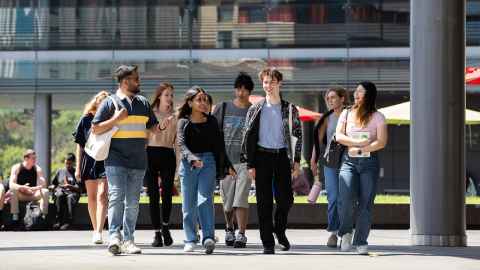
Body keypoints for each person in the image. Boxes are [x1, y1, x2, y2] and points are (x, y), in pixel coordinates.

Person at [91, 65, 159, 255]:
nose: (139, 81)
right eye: (136, 78)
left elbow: (153, 128)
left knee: (133, 203)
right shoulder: (109, 103)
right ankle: (114, 237)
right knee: (116, 197)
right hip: (115, 160)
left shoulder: (143, 103)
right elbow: (95, 129)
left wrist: (159, 128)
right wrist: (116, 119)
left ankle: (129, 240)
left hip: (138, 160)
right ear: (125, 81)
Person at [241, 68, 302, 254]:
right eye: (266, 82)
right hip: (261, 157)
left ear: (279, 83)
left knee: (286, 200)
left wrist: (297, 161)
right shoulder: (255, 108)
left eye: (272, 82)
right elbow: (246, 137)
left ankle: (279, 230)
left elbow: (297, 135)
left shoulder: (289, 109)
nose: (268, 86)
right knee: (264, 201)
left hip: (282, 156)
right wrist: (249, 164)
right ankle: (267, 242)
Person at [177, 86, 235, 254]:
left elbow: (219, 146)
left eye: (205, 100)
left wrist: (228, 165)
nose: (203, 103)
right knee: (188, 205)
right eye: (199, 100)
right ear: (190, 102)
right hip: (188, 165)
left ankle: (208, 237)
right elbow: (181, 144)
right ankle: (190, 239)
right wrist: (192, 158)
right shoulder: (183, 122)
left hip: (208, 162)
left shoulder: (211, 122)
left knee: (205, 199)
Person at [335, 81, 387, 255]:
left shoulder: (378, 116)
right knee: (346, 199)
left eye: (360, 92)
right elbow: (339, 136)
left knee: (366, 204)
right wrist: (356, 143)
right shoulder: (346, 113)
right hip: (348, 161)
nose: (356, 94)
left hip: (369, 162)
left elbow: (381, 141)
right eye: (355, 91)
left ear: (369, 95)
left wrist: (363, 149)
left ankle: (361, 240)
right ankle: (345, 232)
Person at [212, 72, 253, 248]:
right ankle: (229, 228)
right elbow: (213, 133)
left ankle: (241, 234)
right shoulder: (223, 107)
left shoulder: (254, 110)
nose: (241, 92)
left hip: (245, 162)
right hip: (225, 162)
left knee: (241, 200)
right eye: (238, 88)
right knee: (227, 202)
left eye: (244, 89)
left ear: (249, 90)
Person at [310, 86, 348, 248]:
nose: (330, 100)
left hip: (349, 161)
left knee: (345, 198)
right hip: (330, 161)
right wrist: (313, 160)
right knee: (333, 197)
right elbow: (317, 141)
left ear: (342, 98)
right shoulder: (326, 118)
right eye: (328, 98)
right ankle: (333, 232)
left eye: (333, 97)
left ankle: (346, 232)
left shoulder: (351, 115)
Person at [74, 90, 110, 244]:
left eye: (106, 101)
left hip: (106, 161)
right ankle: (95, 229)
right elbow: (79, 146)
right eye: (101, 100)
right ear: (96, 102)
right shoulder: (85, 120)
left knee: (103, 195)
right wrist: (77, 167)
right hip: (89, 160)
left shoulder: (111, 121)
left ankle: (99, 231)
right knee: (92, 197)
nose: (103, 103)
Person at [145, 82, 177, 247]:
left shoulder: (176, 115)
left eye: (171, 95)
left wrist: (178, 165)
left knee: (166, 195)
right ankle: (157, 233)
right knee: (153, 196)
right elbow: (145, 136)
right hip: (150, 154)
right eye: (166, 95)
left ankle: (165, 226)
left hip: (167, 154)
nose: (169, 98)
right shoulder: (150, 113)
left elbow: (177, 143)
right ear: (159, 96)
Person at [9, 149, 50, 227]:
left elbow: (43, 185)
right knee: (13, 190)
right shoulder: (17, 167)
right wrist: (22, 187)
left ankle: (42, 217)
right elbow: (11, 184)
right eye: (33, 158)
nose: (35, 160)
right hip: (21, 194)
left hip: (33, 194)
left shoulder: (37, 168)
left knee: (45, 191)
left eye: (35, 158)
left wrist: (34, 188)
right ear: (26, 158)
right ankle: (15, 217)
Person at [50, 153, 80, 230]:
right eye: (66, 163)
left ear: (74, 163)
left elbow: (80, 188)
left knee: (70, 197)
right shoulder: (60, 171)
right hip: (62, 191)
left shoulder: (76, 173)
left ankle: (69, 222)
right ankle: (58, 221)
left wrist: (69, 186)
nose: (67, 165)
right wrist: (52, 187)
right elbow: (54, 184)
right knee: (59, 195)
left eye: (69, 163)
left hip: (72, 192)